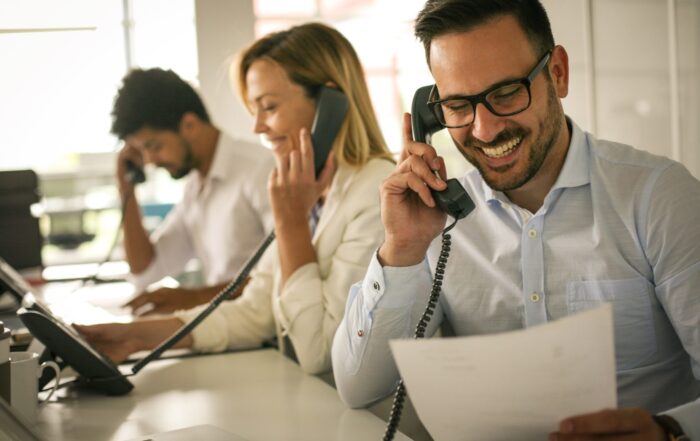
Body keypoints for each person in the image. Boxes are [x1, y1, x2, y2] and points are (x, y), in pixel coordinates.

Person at [331, 1, 700, 440]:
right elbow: (358, 386)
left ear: (557, 73)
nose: (485, 130)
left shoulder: (659, 197)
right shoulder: (437, 218)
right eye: (458, 105)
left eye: (506, 94)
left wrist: (669, 431)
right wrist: (402, 250)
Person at [76, 23, 395, 375]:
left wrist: (290, 225)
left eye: (268, 107)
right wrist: (133, 335)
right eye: (253, 111)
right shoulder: (306, 188)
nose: (257, 127)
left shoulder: (375, 192)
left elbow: (318, 351)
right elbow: (255, 310)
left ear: (329, 104)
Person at [111, 68, 274, 315]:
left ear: (189, 125)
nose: (150, 161)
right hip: (226, 332)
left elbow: (284, 275)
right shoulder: (196, 188)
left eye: (154, 146)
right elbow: (145, 270)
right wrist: (126, 188)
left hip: (266, 338)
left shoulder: (260, 170)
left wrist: (195, 298)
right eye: (141, 151)